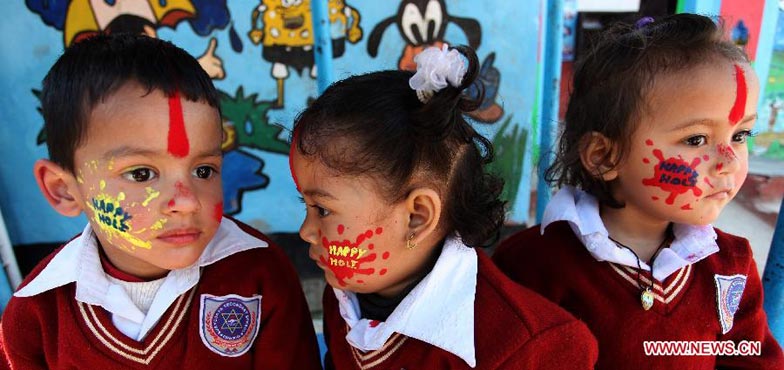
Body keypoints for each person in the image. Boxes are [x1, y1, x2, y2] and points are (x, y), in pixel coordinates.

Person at [0, 34, 321, 369]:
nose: (187, 202)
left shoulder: (260, 275)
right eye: (141, 174)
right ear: (64, 190)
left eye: (203, 170)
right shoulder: (36, 312)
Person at [493, 14, 784, 369]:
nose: (728, 161)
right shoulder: (533, 264)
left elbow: (749, 359)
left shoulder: (730, 265)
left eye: (740, 136)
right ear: (604, 156)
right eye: (696, 140)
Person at [289, 44, 598, 369]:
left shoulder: (531, 349)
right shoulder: (344, 300)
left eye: (322, 210)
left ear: (417, 217)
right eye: (305, 205)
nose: (306, 231)